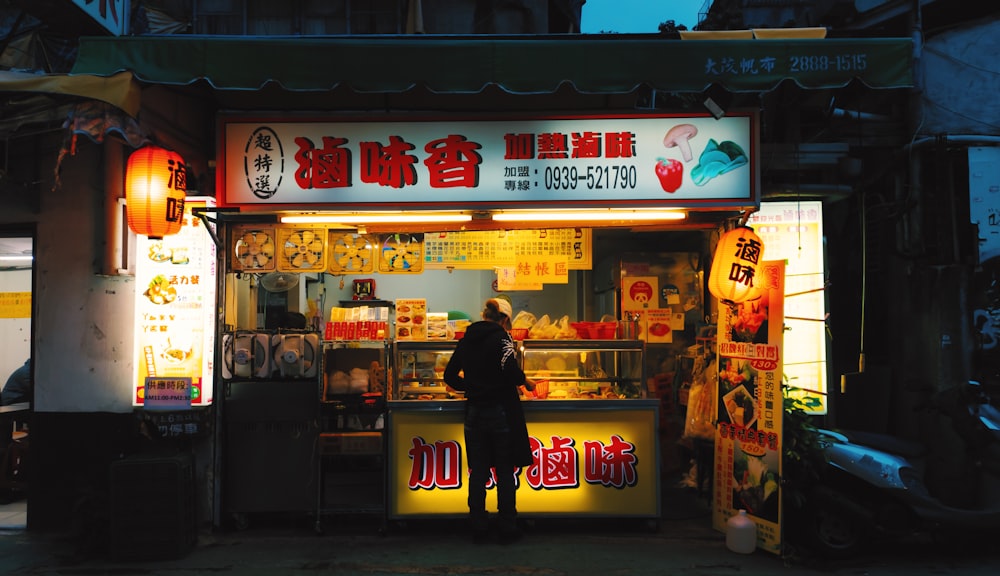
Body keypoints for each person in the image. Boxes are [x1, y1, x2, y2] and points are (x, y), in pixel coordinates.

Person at [444, 298, 534, 544]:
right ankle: (507, 526)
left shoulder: (466, 340)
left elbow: (449, 375)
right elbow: (510, 369)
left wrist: (471, 388)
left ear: (484, 315)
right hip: (500, 412)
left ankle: (478, 526)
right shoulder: (503, 338)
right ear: (504, 319)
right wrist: (524, 380)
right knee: (504, 470)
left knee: (479, 471)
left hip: (474, 413)